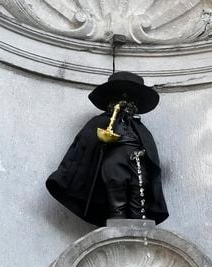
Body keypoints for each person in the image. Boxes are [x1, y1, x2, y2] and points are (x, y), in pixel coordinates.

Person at [46, 71, 168, 226]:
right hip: (114, 166)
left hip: (138, 164)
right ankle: (117, 229)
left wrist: (146, 156)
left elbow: (150, 151)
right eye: (121, 97)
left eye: (130, 99)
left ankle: (139, 230)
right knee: (117, 204)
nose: (125, 103)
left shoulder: (140, 128)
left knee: (139, 203)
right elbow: (84, 147)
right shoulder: (101, 122)